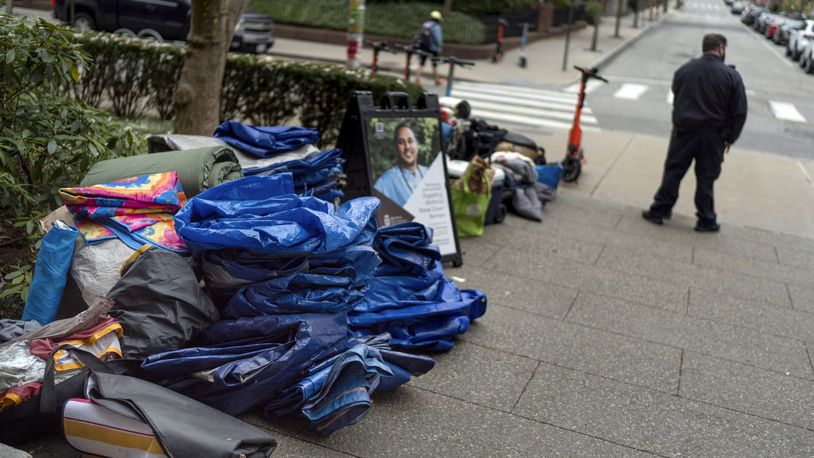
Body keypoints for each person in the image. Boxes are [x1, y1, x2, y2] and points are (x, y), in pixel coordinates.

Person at [642, 33, 747, 232]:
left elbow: (677, 94)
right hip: (713, 136)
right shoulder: (731, 76)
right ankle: (706, 219)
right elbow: (739, 111)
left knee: (673, 172)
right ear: (721, 48)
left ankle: (660, 210)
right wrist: (730, 137)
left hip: (685, 132)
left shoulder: (685, 70)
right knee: (706, 179)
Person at [374, 123, 429, 206]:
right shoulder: (385, 182)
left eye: (410, 141)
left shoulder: (429, 173)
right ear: (395, 147)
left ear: (417, 144)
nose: (407, 147)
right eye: (401, 142)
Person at [415, 10, 444, 85]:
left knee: (421, 63)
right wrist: (440, 46)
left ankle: (417, 79)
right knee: (434, 64)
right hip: (433, 48)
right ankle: (437, 80)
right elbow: (438, 38)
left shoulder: (425, 24)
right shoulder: (437, 26)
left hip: (424, 47)